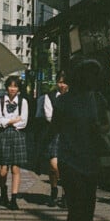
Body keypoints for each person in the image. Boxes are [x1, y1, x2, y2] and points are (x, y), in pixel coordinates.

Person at [53, 58, 109, 221]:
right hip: (70, 159)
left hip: (89, 158)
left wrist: (99, 129)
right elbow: (55, 127)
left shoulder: (98, 99)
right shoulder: (64, 101)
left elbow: (106, 125)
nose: (92, 79)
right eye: (89, 75)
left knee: (87, 202)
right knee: (77, 203)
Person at [0, 76, 29, 210]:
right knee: (2, 171)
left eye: (15, 86)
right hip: (3, 135)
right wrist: (13, 120)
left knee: (15, 168)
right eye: (10, 86)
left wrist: (7, 121)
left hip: (18, 135)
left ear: (18, 88)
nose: (13, 89)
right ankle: (3, 190)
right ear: (6, 87)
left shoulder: (23, 101)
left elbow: (24, 122)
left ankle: (13, 198)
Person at [43, 71, 69, 207]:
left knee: (66, 166)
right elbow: (49, 116)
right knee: (54, 166)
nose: (62, 85)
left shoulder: (73, 97)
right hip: (54, 134)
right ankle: (54, 189)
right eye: (60, 82)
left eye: (64, 82)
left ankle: (65, 194)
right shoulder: (50, 97)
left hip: (70, 134)